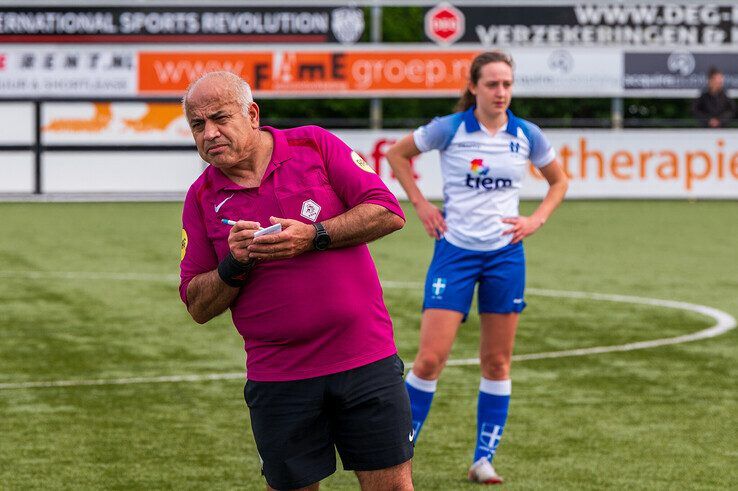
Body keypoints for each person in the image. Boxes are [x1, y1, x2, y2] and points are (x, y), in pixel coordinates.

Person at [178, 71, 414, 491]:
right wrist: (235, 263)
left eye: (220, 118)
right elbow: (197, 305)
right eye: (198, 125)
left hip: (364, 358)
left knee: (391, 486)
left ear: (252, 114)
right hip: (279, 377)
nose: (210, 133)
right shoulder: (201, 197)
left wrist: (315, 235)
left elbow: (387, 211)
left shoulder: (313, 144)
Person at [386, 51, 568, 484]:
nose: (501, 92)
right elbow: (396, 155)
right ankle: (399, 451)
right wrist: (422, 203)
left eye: (507, 84)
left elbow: (559, 180)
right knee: (430, 360)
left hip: (506, 255)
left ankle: (483, 459)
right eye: (492, 84)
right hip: (455, 252)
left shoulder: (526, 135)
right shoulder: (450, 129)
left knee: (497, 362)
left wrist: (536, 219)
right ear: (474, 87)